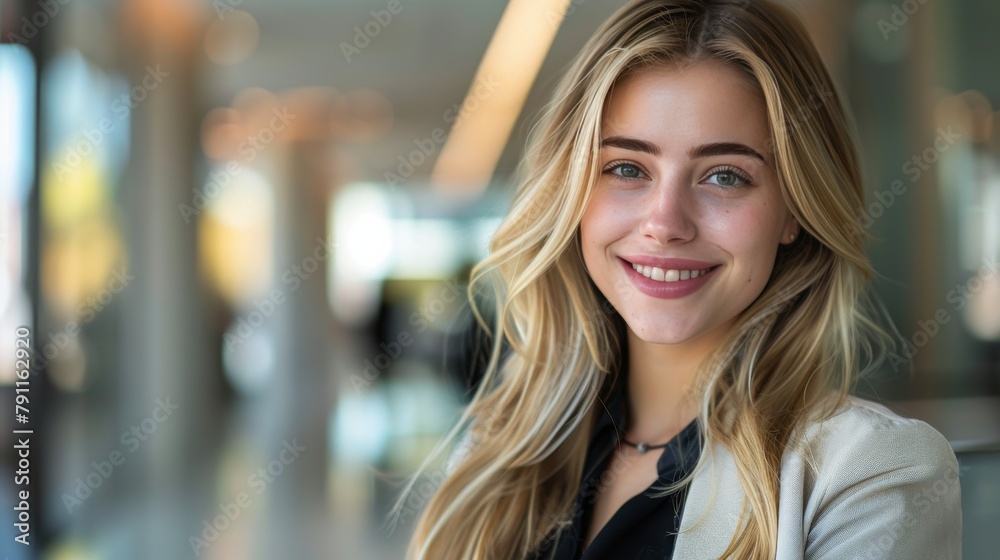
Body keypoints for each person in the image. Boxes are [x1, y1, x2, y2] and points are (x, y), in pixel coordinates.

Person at [397, 1, 962, 558]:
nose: (664, 224)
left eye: (724, 176)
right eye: (626, 168)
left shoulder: (872, 473)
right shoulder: (492, 451)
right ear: (572, 194)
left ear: (793, 209)